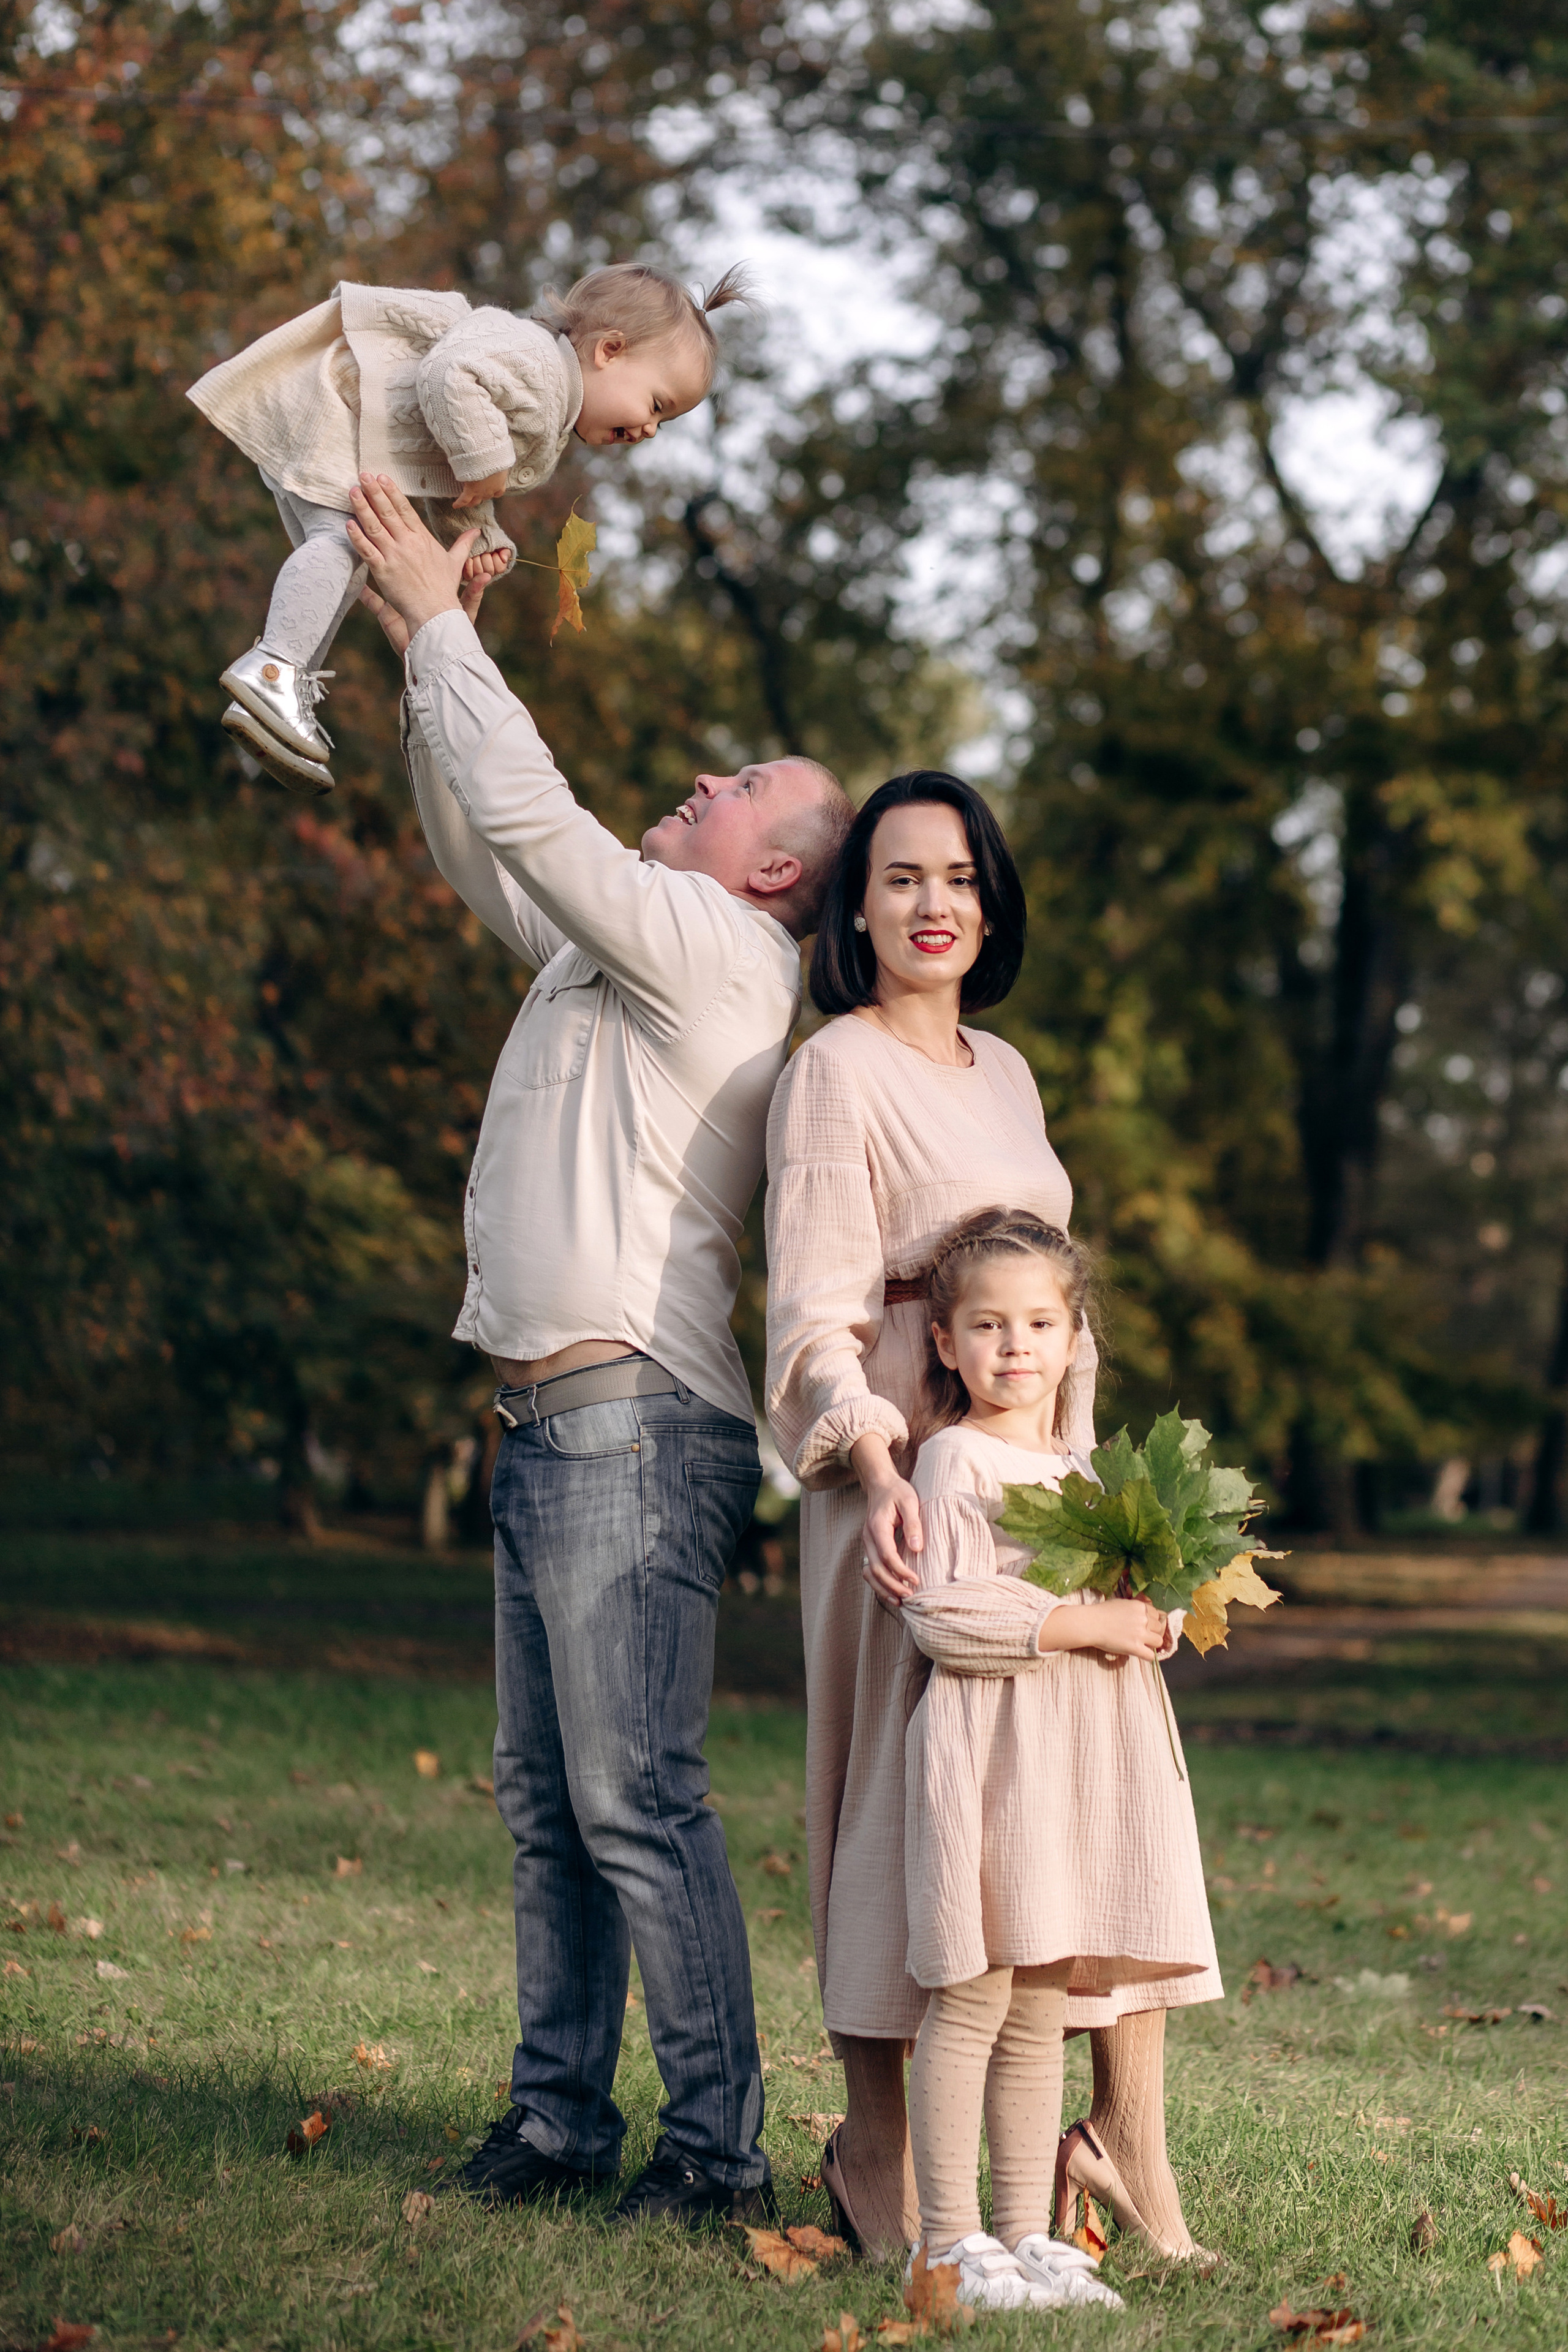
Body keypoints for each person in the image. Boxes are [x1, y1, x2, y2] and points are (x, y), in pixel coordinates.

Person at [346, 469, 855, 2226]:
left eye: (739, 793)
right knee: (552, 1816)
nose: (702, 782)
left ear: (774, 873)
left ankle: (715, 2156)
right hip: (557, 1426)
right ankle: (558, 2129)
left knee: (636, 1800)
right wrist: (445, 654)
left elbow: (540, 816)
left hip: (639, 1428)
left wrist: (429, 625)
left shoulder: (721, 954)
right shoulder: (617, 953)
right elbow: (481, 832)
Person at [764, 771, 1208, 2263]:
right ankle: (883, 2152)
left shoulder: (1006, 1070)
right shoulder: (832, 1068)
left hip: (1033, 1475)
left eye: (955, 875)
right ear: (855, 906)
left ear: (989, 898)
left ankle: (1097, 2146)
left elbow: (1048, 1288)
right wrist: (881, 1466)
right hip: (906, 1481)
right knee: (914, 1813)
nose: (930, 902)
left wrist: (1097, 1497)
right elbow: (818, 1306)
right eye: (897, 877)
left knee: (1055, 1803)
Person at [899, 1210, 1220, 2308]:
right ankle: (945, 2241)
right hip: (991, 1764)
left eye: (1040, 1322)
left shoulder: (1094, 1469)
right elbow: (943, 1615)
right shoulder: (953, 1458)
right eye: (987, 1325)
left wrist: (1156, 1615)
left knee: (1042, 2007)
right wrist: (1083, 1629)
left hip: (1071, 1777)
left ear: (1075, 1337)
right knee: (973, 1997)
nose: (1015, 1345)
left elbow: (1125, 1596)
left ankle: (1023, 2235)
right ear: (945, 1343)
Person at [187, 263, 745, 791]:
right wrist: (487, 460)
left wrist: (482, 534)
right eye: (656, 404)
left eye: (664, 422)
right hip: (335, 402)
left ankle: (276, 693)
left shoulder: (550, 408)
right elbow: (449, 374)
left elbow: (450, 468)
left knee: (352, 560)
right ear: (609, 350)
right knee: (343, 543)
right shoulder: (537, 361)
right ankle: (275, 669)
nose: (650, 430)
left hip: (344, 420)